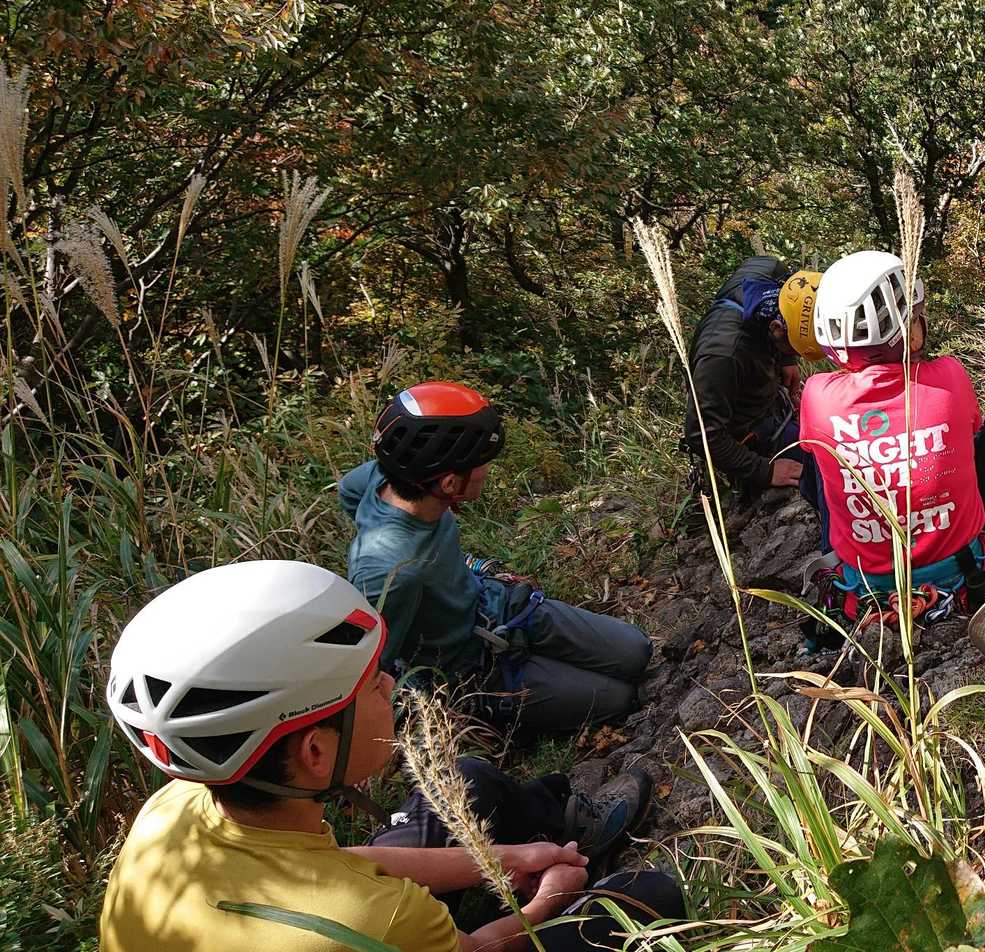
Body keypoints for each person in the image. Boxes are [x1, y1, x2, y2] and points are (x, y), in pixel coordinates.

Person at [99, 559, 684, 952]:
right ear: (315, 751)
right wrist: (548, 904)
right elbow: (474, 949)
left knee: (466, 781)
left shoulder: (175, 807)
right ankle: (575, 873)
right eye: (370, 686)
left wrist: (503, 857)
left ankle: (559, 836)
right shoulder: (372, 920)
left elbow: (334, 861)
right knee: (648, 897)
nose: (389, 686)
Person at [340, 381, 652, 732]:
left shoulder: (381, 477)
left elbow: (347, 492)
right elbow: (370, 669)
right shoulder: (391, 574)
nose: (487, 469)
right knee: (619, 698)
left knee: (637, 651)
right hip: (474, 670)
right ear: (449, 484)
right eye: (480, 463)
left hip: (497, 605)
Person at [797, 251, 985, 627]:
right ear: (910, 333)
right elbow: (971, 438)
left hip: (867, 589)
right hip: (967, 573)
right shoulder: (949, 376)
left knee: (821, 452)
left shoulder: (817, 396)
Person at [682, 256, 823, 498]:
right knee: (820, 467)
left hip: (765, 397)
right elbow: (701, 434)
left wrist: (787, 359)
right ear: (777, 330)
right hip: (748, 434)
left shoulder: (767, 275)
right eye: (796, 348)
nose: (798, 355)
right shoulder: (723, 356)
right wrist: (764, 471)